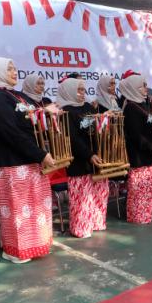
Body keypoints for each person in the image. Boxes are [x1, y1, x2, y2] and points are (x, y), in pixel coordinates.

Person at [0, 57, 55, 264]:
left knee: (35, 206)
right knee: (18, 208)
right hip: (13, 163)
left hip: (29, 159)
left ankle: (35, 244)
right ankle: (16, 250)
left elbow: (32, 117)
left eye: (14, 68)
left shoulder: (14, 95)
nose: (15, 72)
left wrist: (45, 112)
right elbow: (10, 132)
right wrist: (41, 154)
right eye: (9, 69)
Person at [57, 78, 109, 237]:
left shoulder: (87, 106)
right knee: (82, 195)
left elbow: (97, 128)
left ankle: (97, 221)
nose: (82, 93)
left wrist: (104, 118)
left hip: (96, 157)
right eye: (78, 90)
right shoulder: (65, 111)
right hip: (79, 160)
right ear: (69, 90)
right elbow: (72, 139)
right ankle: (81, 227)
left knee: (99, 192)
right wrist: (88, 154)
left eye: (83, 89)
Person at [121, 74, 152, 223]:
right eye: (142, 86)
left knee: (150, 186)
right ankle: (138, 215)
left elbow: (151, 127)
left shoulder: (144, 104)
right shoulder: (130, 108)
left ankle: (149, 211)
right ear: (133, 88)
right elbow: (136, 136)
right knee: (140, 188)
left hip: (150, 153)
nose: (146, 89)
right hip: (139, 155)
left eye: (146, 85)